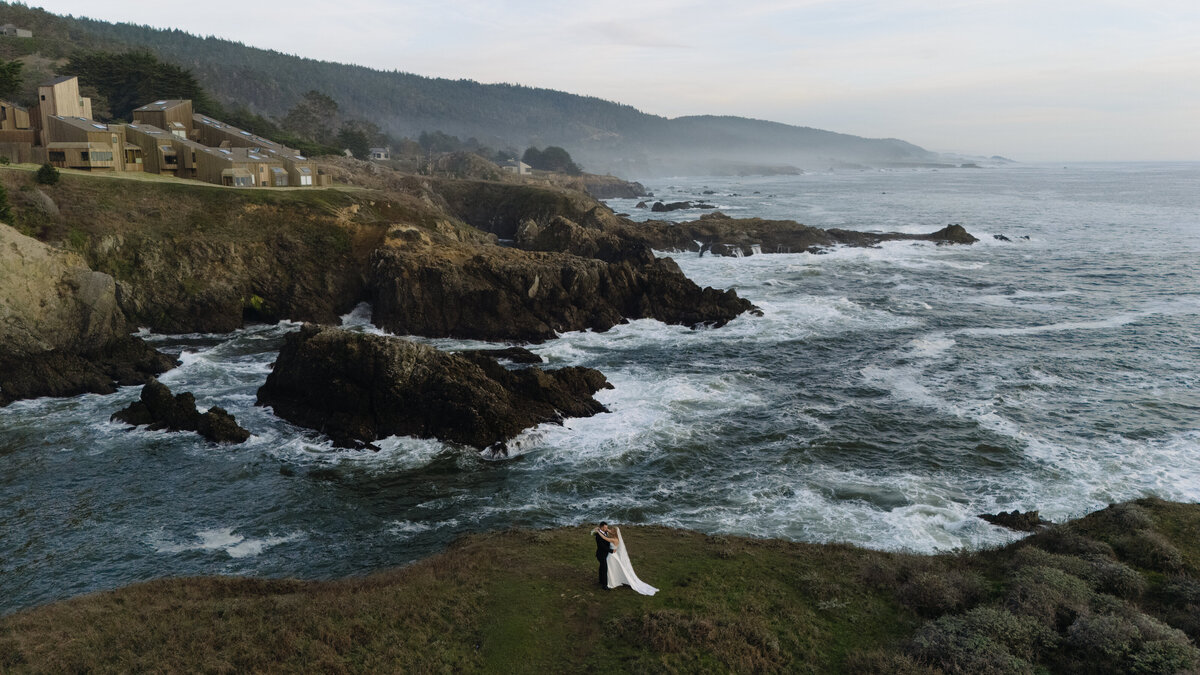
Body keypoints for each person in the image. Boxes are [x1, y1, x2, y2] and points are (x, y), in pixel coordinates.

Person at [604, 526, 659, 596]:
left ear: (614, 532)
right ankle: (611, 580)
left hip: (612, 556)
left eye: (612, 529)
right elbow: (610, 532)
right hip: (613, 555)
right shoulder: (615, 537)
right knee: (612, 568)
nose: (610, 530)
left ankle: (611, 582)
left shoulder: (614, 539)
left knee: (610, 567)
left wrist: (598, 532)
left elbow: (605, 538)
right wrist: (606, 530)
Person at [594, 522, 618, 588]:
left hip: (606, 554)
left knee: (602, 567)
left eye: (607, 527)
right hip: (601, 554)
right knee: (604, 568)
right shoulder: (598, 535)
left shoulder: (605, 532)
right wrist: (611, 551)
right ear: (601, 527)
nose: (606, 529)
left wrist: (599, 530)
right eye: (605, 527)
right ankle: (604, 585)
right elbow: (601, 546)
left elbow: (608, 536)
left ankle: (601, 581)